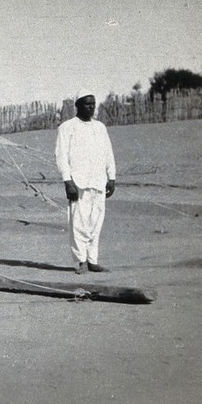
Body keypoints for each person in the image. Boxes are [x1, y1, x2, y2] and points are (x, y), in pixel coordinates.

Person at [55, 93, 116, 275]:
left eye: (93, 104)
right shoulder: (67, 127)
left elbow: (108, 154)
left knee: (96, 223)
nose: (91, 107)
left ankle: (93, 260)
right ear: (78, 105)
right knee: (78, 223)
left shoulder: (100, 127)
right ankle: (80, 261)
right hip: (78, 182)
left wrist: (111, 177)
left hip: (98, 181)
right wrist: (68, 181)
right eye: (87, 104)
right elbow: (61, 156)